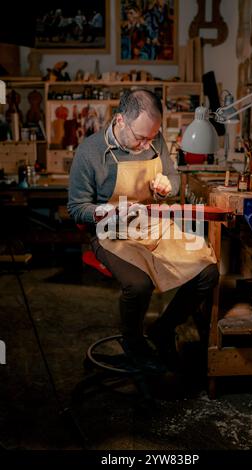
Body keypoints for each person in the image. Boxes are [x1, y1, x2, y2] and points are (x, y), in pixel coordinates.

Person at [68, 89, 219, 374]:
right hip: (111, 230)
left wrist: (166, 186)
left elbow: (174, 177)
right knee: (139, 285)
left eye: (152, 137)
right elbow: (76, 208)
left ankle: (162, 329)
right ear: (121, 120)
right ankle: (134, 343)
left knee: (207, 272)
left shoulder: (153, 138)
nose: (146, 144)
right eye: (140, 137)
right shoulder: (90, 151)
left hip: (152, 223)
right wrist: (108, 212)